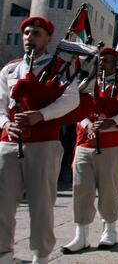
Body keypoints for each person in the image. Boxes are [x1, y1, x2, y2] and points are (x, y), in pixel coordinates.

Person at [0, 17, 80, 264]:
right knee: (2, 203)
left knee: (41, 203)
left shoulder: (61, 69)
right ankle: (4, 253)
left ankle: (41, 256)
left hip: (43, 143)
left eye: (35, 33)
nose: (29, 38)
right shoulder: (10, 70)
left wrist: (41, 115)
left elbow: (71, 100)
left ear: (47, 39)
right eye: (25, 33)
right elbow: (1, 104)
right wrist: (5, 123)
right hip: (9, 141)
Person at [62, 47, 118, 253]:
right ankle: (81, 234)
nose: (102, 65)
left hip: (111, 143)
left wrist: (112, 121)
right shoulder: (87, 85)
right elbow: (74, 106)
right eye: (100, 61)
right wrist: (87, 122)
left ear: (115, 64)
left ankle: (109, 229)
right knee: (81, 188)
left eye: (107, 61)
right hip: (84, 141)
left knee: (108, 188)